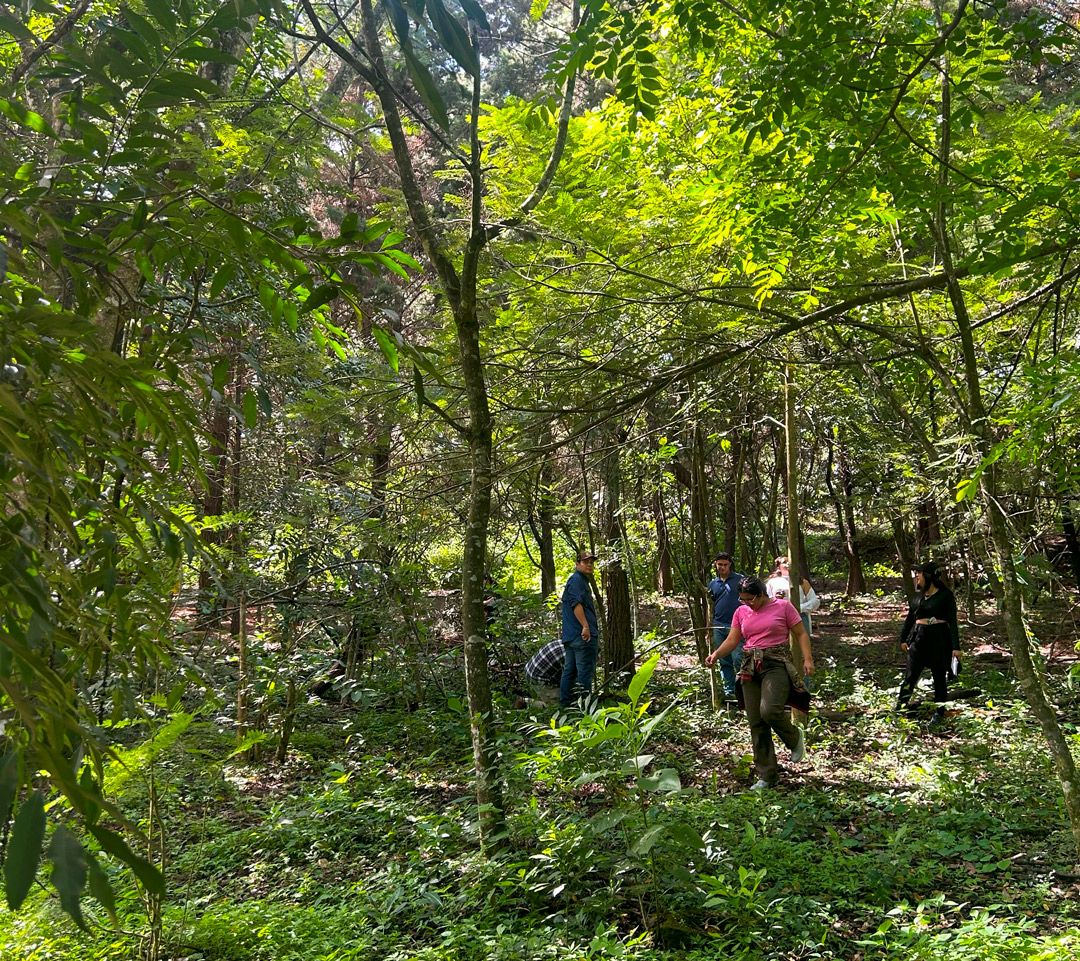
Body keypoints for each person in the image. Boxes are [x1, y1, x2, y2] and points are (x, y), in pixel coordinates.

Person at [705, 576, 814, 790]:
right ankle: (767, 775)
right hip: (749, 666)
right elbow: (733, 640)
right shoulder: (741, 612)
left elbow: (800, 633)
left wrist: (807, 658)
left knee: (770, 710)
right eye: (742, 599)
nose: (746, 603)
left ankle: (794, 738)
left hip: (776, 663)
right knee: (756, 722)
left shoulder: (783, 607)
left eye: (750, 599)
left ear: (761, 594)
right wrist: (716, 654)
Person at [896, 561, 961, 726]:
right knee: (910, 678)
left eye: (920, 574)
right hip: (919, 640)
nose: (917, 577)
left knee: (939, 678)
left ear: (929, 576)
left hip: (939, 640)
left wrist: (955, 647)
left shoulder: (945, 596)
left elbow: (952, 621)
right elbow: (910, 618)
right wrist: (903, 638)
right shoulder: (918, 597)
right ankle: (900, 710)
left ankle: (939, 713)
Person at [560, 549, 599, 707]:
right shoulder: (576, 580)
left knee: (570, 671)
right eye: (586, 562)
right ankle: (587, 709)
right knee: (584, 672)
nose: (589, 565)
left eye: (591, 562)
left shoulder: (581, 580)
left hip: (572, 636)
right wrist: (585, 626)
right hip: (581, 636)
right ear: (578, 564)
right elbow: (576, 604)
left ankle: (566, 705)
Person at [708, 552, 744, 698]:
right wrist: (708, 626)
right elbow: (710, 606)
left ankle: (743, 690)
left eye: (725, 564)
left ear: (730, 565)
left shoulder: (740, 580)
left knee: (738, 658)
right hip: (718, 626)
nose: (722, 567)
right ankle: (729, 692)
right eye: (719, 564)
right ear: (715, 565)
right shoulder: (713, 583)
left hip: (736, 626)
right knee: (723, 660)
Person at [767, 555, 820, 636]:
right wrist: (775, 600)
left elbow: (815, 601)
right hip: (780, 618)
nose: (788, 564)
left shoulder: (802, 582)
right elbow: (766, 601)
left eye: (790, 562)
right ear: (778, 567)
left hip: (800, 617)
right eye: (784, 562)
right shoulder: (772, 582)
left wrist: (799, 607)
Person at [514, 639, 565, 708]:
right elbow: (569, 677)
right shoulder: (568, 654)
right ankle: (523, 702)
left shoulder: (570, 642)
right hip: (538, 676)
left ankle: (523, 701)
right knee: (557, 706)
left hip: (535, 668)